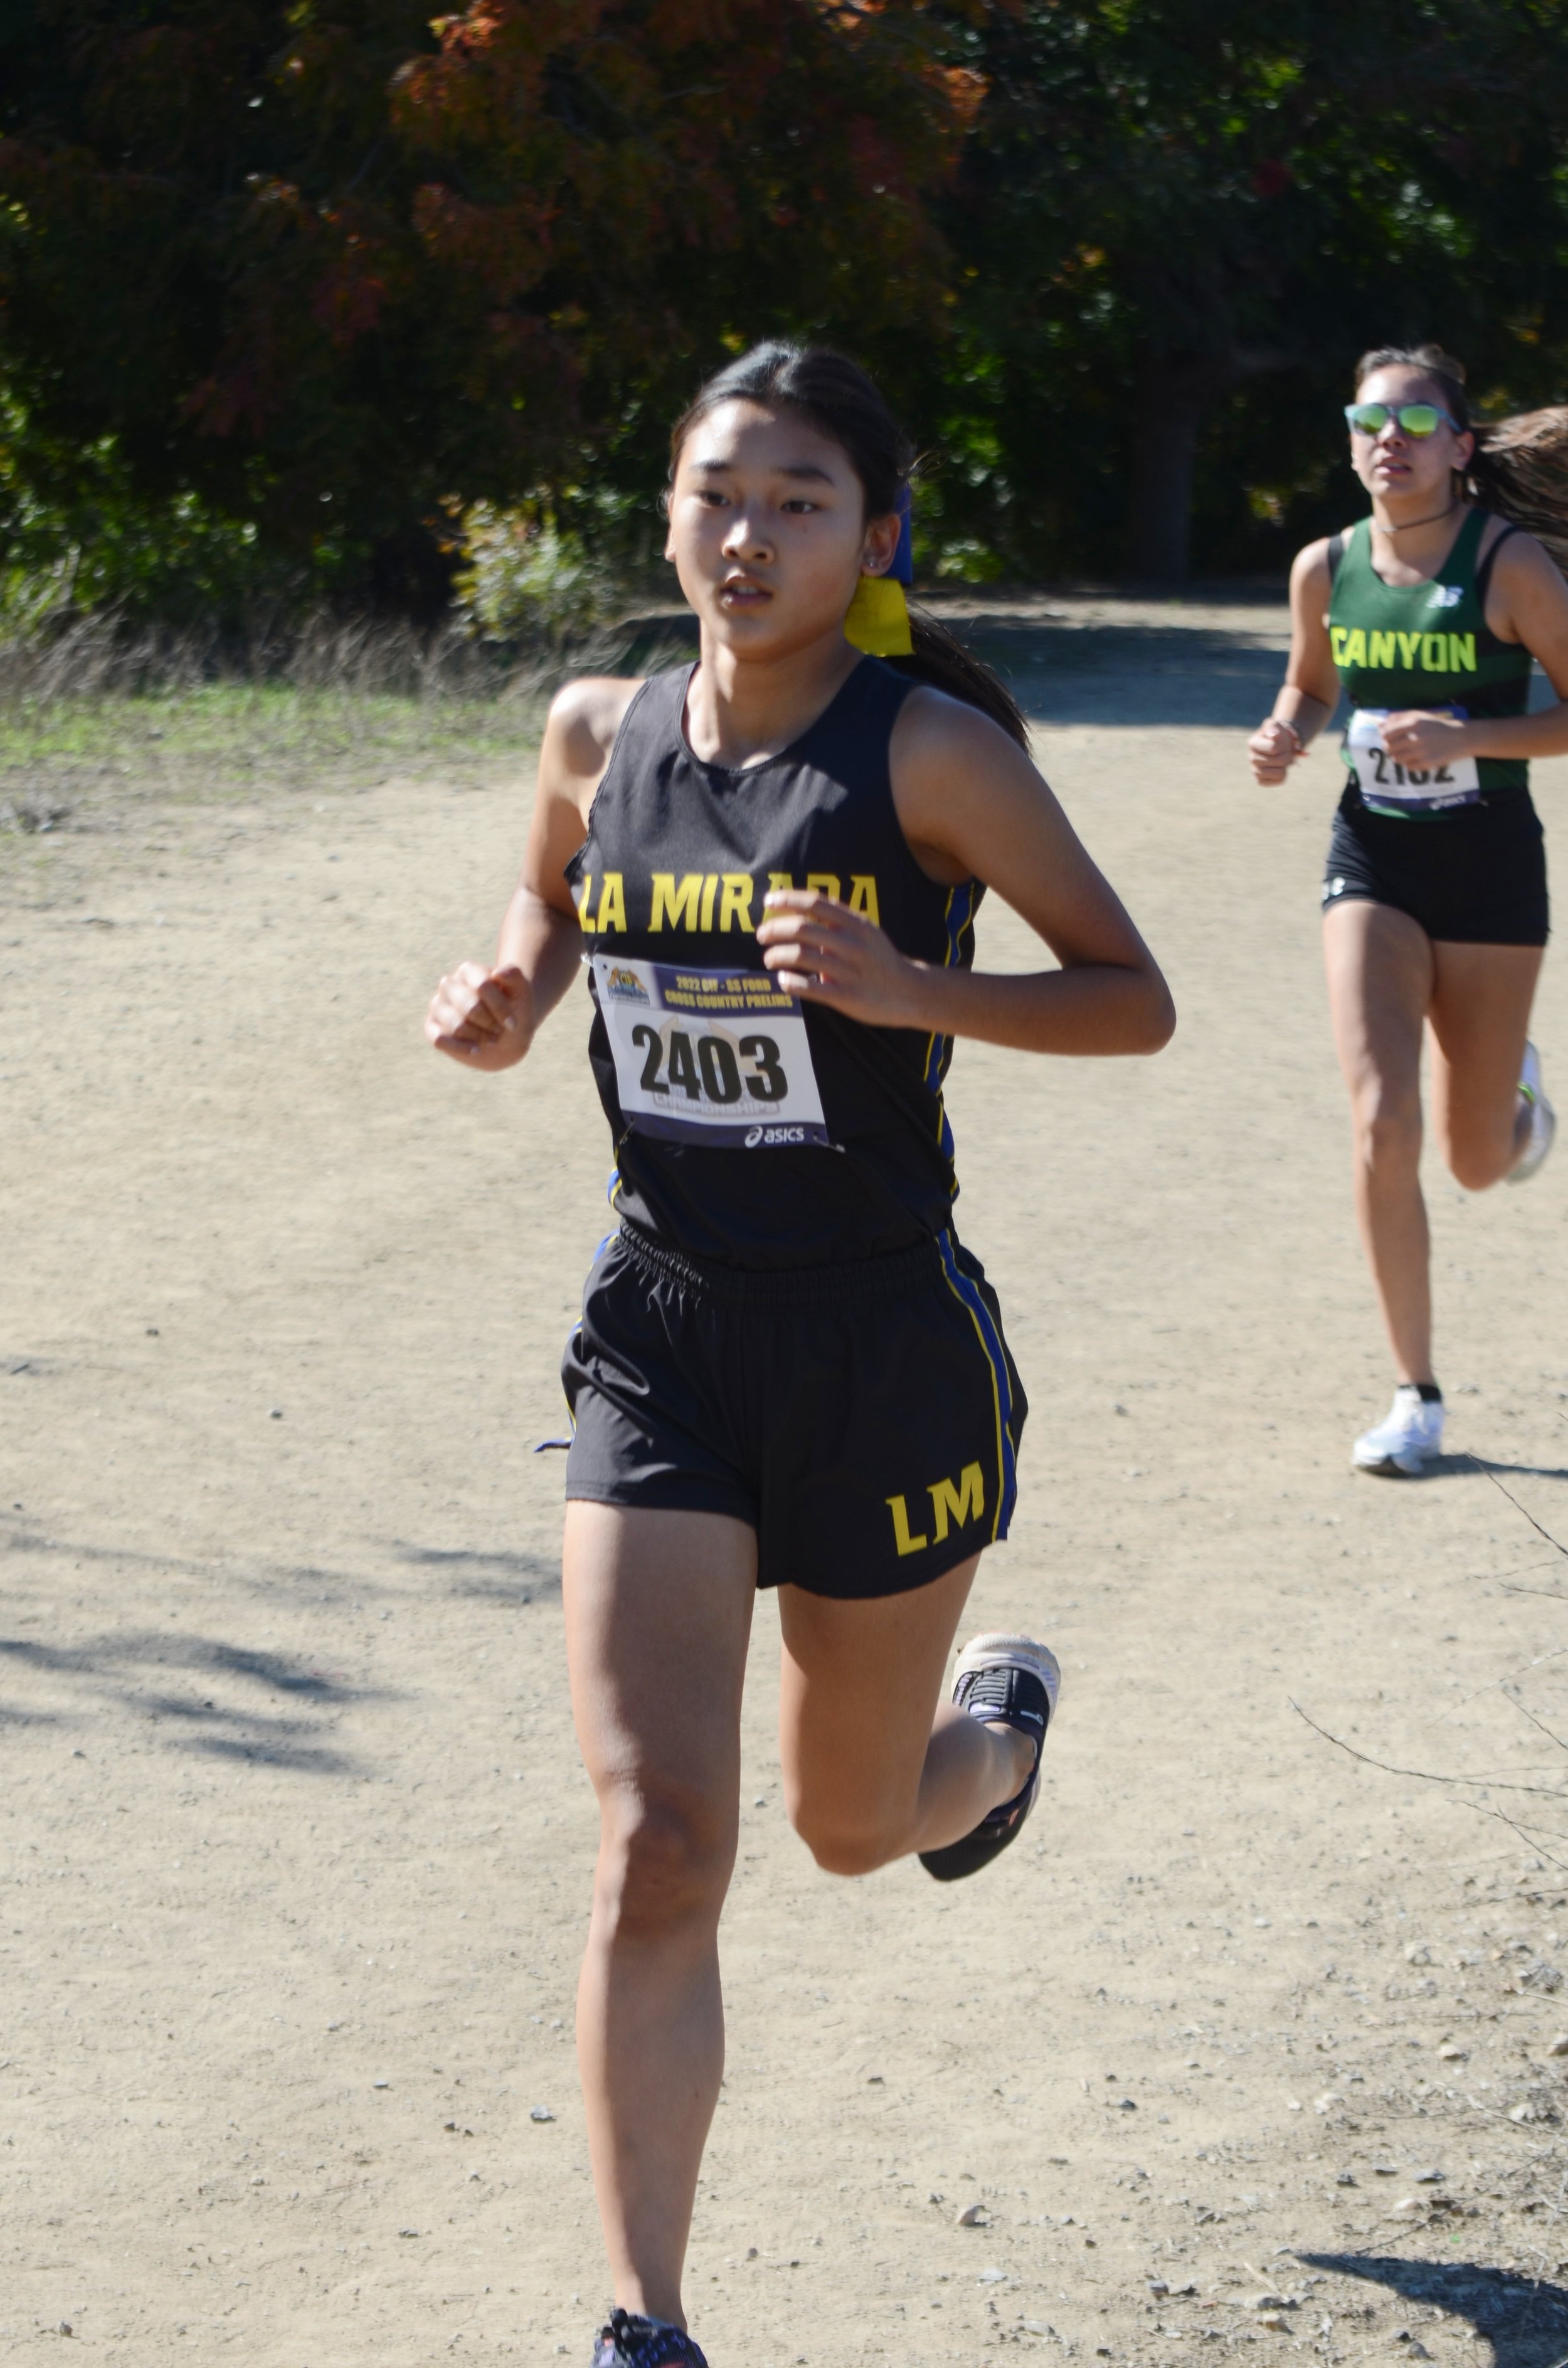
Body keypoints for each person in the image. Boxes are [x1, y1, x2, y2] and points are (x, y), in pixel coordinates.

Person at [425, 341, 1174, 2368]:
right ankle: (645, 2320)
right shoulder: (598, 725)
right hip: (662, 1333)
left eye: (799, 502)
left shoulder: (927, 753)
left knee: (854, 1825)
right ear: (668, 514)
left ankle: (995, 1744)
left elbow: (1131, 997)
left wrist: (913, 984)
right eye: (717, 495)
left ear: (876, 537)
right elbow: (554, 890)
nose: (747, 535)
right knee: (662, 1837)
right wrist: (512, 989)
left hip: (880, 1345)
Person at [1249, 342, 1568, 1477]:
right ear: (1350, 444)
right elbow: (1313, 682)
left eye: (1418, 423)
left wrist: (1469, 737)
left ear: (1460, 446)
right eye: (1371, 422)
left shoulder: (1510, 565)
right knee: (1384, 1120)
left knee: (1477, 1160)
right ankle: (1415, 1395)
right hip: (1373, 858)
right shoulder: (1325, 566)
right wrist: (1286, 728)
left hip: (1490, 871)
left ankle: (1517, 1093)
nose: (1392, 440)